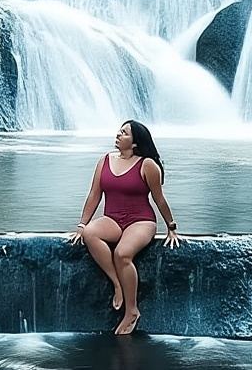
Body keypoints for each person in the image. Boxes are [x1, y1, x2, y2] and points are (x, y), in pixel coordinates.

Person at [68, 120, 180, 335]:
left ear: (135, 143)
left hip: (141, 221)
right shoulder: (105, 161)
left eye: (124, 133)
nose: (118, 135)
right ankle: (117, 283)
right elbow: (94, 195)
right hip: (112, 219)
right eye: (119, 131)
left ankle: (132, 310)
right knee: (91, 233)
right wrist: (82, 224)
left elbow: (160, 200)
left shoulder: (147, 165)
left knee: (122, 253)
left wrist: (171, 227)